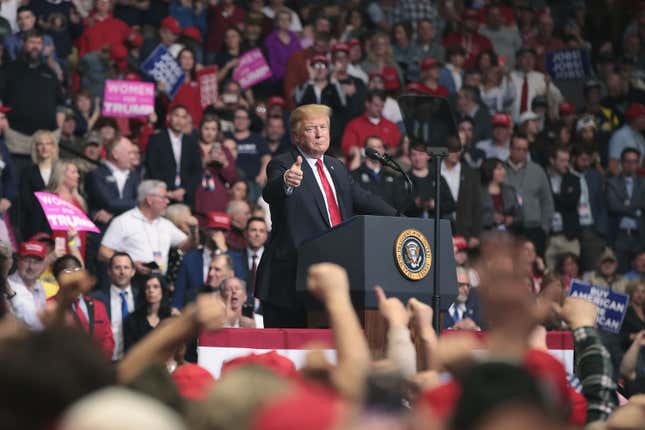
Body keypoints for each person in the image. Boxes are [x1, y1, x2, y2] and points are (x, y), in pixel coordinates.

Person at [256, 104, 397, 327]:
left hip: (331, 279)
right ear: (296, 137)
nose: (320, 134)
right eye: (312, 129)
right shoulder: (283, 164)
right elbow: (271, 191)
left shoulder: (336, 167)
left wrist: (400, 218)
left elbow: (363, 199)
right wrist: (286, 182)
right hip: (290, 282)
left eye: (323, 127)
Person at [99, 180, 199, 277]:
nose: (167, 201)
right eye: (164, 198)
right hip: (133, 280)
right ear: (150, 200)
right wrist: (130, 264)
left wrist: (194, 230)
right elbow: (103, 253)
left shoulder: (165, 224)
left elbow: (187, 246)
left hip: (159, 282)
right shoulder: (123, 221)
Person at [52, 254, 115, 360]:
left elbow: (108, 339)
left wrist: (97, 363)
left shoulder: (98, 305)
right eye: (68, 272)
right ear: (57, 278)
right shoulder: (50, 306)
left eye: (77, 270)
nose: (74, 276)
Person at [505, 133, 554, 257]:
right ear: (510, 149)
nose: (521, 152)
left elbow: (547, 202)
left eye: (525, 149)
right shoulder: (500, 169)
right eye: (518, 149)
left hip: (534, 230)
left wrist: (544, 229)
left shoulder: (537, 171)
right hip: (509, 231)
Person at [172, 211, 233, 310]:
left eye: (223, 231)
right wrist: (176, 308)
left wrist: (224, 251)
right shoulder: (190, 258)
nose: (219, 234)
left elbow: (238, 283)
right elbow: (179, 292)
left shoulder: (233, 257)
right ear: (206, 230)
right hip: (195, 313)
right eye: (215, 229)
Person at [145, 105, 203, 208]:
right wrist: (168, 192)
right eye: (176, 116)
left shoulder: (192, 142)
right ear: (169, 117)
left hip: (185, 197)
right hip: (161, 196)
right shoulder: (156, 140)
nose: (179, 120)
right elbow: (152, 168)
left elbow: (197, 171)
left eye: (183, 117)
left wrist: (183, 190)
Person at [85, 137, 140, 231]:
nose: (133, 157)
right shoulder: (96, 174)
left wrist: (113, 214)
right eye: (130, 153)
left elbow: (138, 202)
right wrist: (140, 204)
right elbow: (109, 203)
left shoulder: (134, 176)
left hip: (131, 228)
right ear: (115, 155)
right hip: (103, 229)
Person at [93, 252, 137, 361]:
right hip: (105, 362)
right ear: (109, 271)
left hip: (135, 363)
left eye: (126, 267)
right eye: (117, 267)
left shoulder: (141, 298)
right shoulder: (96, 299)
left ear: (133, 271)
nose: (122, 272)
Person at [607, 148, 645, 272]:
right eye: (627, 161)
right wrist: (636, 209)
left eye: (634, 161)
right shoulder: (612, 182)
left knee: (640, 277)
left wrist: (625, 205)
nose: (631, 165)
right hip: (620, 236)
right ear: (622, 163)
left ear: (638, 163)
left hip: (639, 235)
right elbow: (613, 206)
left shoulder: (643, 183)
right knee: (620, 275)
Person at [545, 146, 582, 270]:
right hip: (549, 237)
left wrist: (552, 196)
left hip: (568, 236)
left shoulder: (574, 180)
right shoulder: (543, 178)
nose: (566, 164)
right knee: (550, 276)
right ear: (552, 160)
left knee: (571, 275)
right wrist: (560, 199)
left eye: (567, 160)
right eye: (562, 160)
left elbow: (571, 203)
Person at [440, 150, 482, 248]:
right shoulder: (433, 170)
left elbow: (477, 205)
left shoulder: (471, 173)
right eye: (452, 148)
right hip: (439, 231)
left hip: (465, 233)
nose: (456, 152)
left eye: (459, 148)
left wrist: (475, 234)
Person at [350, 136, 407, 210]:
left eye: (379, 147)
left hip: (389, 219)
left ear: (383, 150)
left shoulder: (393, 177)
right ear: (366, 151)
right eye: (372, 147)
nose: (376, 150)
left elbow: (400, 204)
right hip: (366, 219)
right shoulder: (355, 175)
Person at [341, 90, 401, 157]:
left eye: (382, 106)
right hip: (362, 163)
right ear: (367, 104)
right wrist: (370, 153)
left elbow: (397, 149)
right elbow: (348, 149)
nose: (379, 109)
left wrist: (389, 152)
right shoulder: (354, 124)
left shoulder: (392, 126)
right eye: (376, 105)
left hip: (386, 163)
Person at [123, 273, 173, 352]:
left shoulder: (171, 317)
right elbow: (130, 351)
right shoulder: (132, 319)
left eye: (155, 287)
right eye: (147, 287)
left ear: (162, 290)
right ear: (143, 292)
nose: (151, 290)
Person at [405, 143, 455, 219]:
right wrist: (415, 204)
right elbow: (396, 205)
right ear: (409, 157)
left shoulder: (438, 179)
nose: (417, 158)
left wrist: (435, 205)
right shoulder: (403, 179)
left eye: (421, 154)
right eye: (414, 154)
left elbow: (451, 205)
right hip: (411, 227)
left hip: (435, 225)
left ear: (428, 155)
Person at [6, 240, 47, 329]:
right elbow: (31, 322)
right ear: (18, 261)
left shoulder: (40, 286)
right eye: (27, 261)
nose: (31, 267)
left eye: (36, 262)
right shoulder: (7, 286)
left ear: (43, 264)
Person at [480, 157, 522, 232]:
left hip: (508, 233)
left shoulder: (510, 191)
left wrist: (512, 220)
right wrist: (491, 218)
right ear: (489, 170)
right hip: (485, 233)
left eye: (503, 169)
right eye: (499, 169)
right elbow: (472, 217)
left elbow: (520, 216)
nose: (503, 172)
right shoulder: (479, 192)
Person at [608, 103, 645, 176]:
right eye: (643, 117)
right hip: (623, 182)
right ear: (635, 118)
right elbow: (613, 167)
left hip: (638, 182)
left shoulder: (641, 137)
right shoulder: (620, 135)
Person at [620, 280, 645, 350]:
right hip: (631, 349)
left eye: (643, 292)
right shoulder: (624, 312)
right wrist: (634, 336)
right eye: (636, 291)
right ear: (630, 293)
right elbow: (619, 336)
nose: (640, 295)